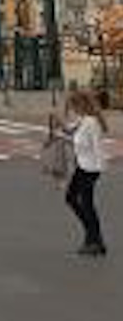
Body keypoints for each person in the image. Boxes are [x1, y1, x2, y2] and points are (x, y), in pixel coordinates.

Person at [56, 91, 108, 256]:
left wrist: (99, 170)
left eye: (73, 106)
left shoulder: (91, 123)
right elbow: (70, 131)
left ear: (80, 105)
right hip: (83, 167)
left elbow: (96, 146)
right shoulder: (83, 120)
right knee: (71, 199)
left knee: (87, 205)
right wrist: (59, 125)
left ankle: (95, 241)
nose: (71, 110)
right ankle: (94, 238)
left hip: (91, 169)